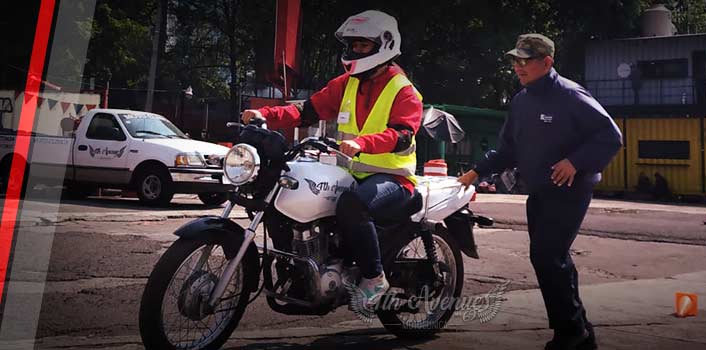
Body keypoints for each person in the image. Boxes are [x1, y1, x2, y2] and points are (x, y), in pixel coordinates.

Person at [241, 10, 422, 307]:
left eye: (363, 46)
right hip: (348, 172)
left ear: (384, 46)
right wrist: (266, 115)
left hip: (393, 177)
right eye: (353, 45)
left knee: (353, 204)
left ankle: (375, 277)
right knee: (285, 191)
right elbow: (306, 111)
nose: (355, 51)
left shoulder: (404, 91)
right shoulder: (346, 83)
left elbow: (401, 135)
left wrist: (362, 143)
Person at [458, 34, 622, 350]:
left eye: (525, 60)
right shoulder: (522, 100)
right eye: (515, 60)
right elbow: (508, 149)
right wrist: (475, 172)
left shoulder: (571, 95)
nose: (518, 67)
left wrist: (575, 161)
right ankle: (580, 331)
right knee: (551, 258)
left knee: (547, 255)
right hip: (540, 191)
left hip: (570, 190)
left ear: (546, 62)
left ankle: (570, 334)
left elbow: (610, 136)